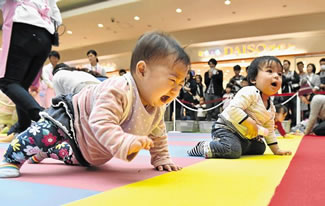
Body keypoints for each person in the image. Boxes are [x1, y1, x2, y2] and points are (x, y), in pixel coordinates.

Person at [0, 31, 190, 177]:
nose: (176, 89)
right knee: (44, 134)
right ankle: (11, 158)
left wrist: (161, 157)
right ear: (142, 70)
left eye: (181, 84)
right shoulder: (119, 89)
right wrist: (124, 141)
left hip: (89, 153)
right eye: (172, 81)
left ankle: (45, 152)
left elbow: (158, 133)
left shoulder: (157, 107)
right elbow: (101, 122)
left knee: (64, 153)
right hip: (73, 119)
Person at [188, 56, 292, 159]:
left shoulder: (271, 108)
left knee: (260, 148)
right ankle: (205, 146)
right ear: (253, 79)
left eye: (279, 74)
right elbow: (233, 109)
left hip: (244, 136)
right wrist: (250, 123)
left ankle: (239, 146)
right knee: (232, 150)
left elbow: (269, 130)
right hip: (227, 128)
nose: (276, 76)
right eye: (270, 71)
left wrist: (276, 150)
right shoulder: (249, 92)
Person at [0, 1, 62, 136]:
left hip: (24, 28)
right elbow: (57, 17)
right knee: (21, 85)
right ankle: (23, 128)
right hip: (46, 36)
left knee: (7, 82)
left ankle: (43, 118)